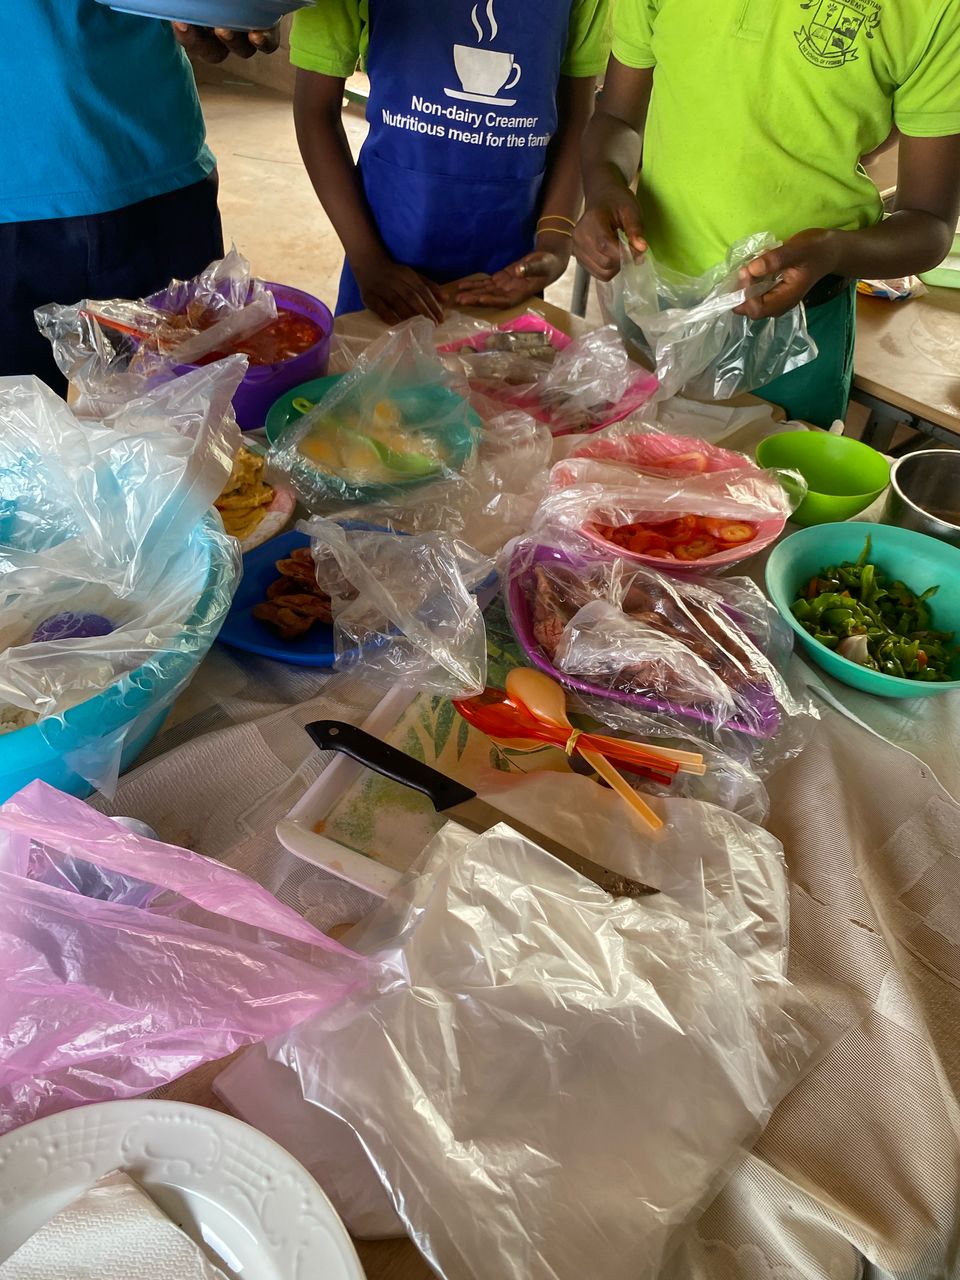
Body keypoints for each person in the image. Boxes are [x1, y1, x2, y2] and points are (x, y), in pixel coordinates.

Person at [572, 0, 960, 427]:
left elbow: (929, 222)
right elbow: (618, 117)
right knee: (618, 460)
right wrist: (603, 185)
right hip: (651, 304)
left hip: (797, 336)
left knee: (770, 469)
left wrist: (834, 250)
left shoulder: (934, 10)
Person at [1, 3, 277, 394]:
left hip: (157, 163)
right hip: (20, 188)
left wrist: (249, 10)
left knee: (189, 408)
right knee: (13, 421)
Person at [289, 0, 610, 322]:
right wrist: (367, 258)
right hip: (386, 254)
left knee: (500, 355)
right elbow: (315, 108)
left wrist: (555, 240)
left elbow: (576, 116)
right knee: (379, 354)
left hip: (510, 267)